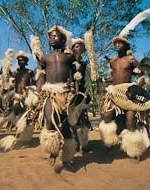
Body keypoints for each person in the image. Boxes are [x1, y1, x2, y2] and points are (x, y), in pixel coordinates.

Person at [37, 25, 85, 173]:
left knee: (65, 126)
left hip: (66, 94)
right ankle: (53, 150)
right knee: (50, 121)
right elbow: (40, 75)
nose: (52, 38)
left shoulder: (69, 57)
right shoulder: (45, 57)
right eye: (50, 36)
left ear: (63, 39)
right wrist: (39, 90)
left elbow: (75, 77)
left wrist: (76, 95)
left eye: (55, 36)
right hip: (50, 93)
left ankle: (67, 158)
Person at [98, 36, 150, 159]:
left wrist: (137, 87)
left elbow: (142, 75)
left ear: (125, 46)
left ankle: (134, 149)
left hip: (128, 94)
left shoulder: (131, 60)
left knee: (130, 121)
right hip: (114, 93)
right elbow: (113, 78)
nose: (117, 45)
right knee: (107, 116)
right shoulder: (113, 61)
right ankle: (111, 143)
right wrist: (102, 80)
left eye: (120, 43)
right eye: (116, 43)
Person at [71, 38, 92, 154]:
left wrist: (87, 92)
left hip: (82, 94)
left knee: (83, 119)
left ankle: (84, 144)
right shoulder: (69, 63)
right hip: (71, 94)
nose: (77, 48)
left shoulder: (84, 64)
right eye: (75, 46)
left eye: (80, 46)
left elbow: (87, 79)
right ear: (72, 49)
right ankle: (74, 143)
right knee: (73, 120)